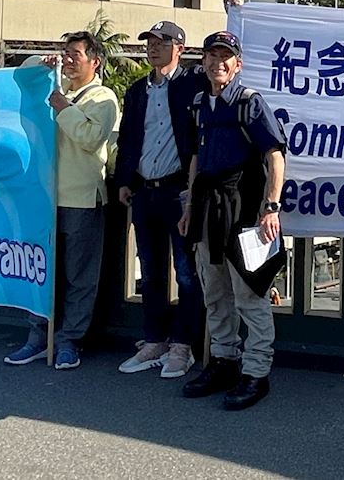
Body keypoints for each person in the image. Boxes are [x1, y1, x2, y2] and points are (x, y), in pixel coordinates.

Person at [180, 30, 287, 410]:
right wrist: (189, 207)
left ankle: (256, 372)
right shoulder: (199, 105)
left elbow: (275, 156)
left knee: (250, 295)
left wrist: (271, 208)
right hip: (207, 210)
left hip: (244, 211)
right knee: (214, 292)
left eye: (225, 56)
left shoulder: (249, 103)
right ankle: (224, 360)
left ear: (237, 64)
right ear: (204, 61)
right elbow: (195, 159)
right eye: (211, 55)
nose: (217, 63)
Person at [4, 31, 120, 370]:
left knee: (79, 277)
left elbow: (91, 138)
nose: (68, 59)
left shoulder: (103, 97)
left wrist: (63, 108)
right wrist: (41, 63)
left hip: (81, 199)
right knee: (41, 272)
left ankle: (69, 341)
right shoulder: (55, 87)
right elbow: (22, 77)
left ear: (95, 61)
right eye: (65, 53)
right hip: (44, 198)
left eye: (75, 54)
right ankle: (38, 337)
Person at [113, 20, 208, 378]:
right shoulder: (138, 90)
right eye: (150, 42)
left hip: (179, 190)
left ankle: (183, 345)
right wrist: (124, 180)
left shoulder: (193, 84)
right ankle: (154, 340)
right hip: (144, 191)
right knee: (151, 271)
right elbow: (128, 138)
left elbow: (222, 67)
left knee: (186, 273)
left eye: (162, 42)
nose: (153, 48)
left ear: (179, 48)